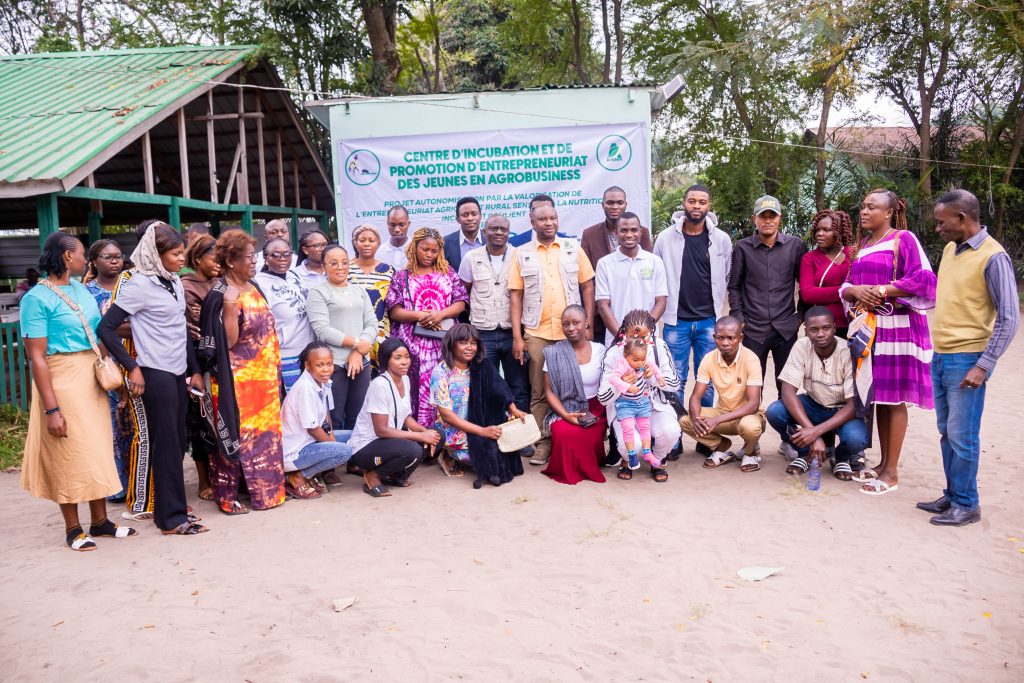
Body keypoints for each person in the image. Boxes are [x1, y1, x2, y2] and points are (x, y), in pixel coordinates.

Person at [20, 232, 135, 551]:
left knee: (97, 448)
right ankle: (73, 528)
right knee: (68, 452)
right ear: (67, 257)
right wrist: (52, 409)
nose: (86, 258)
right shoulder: (36, 298)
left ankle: (100, 522)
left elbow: (98, 334)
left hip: (92, 375)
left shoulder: (81, 290)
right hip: (62, 378)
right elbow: (37, 357)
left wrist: (115, 378)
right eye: (83, 253)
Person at [97, 224, 208, 535]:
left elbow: (180, 329)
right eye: (175, 253)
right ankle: (172, 519)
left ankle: (171, 512)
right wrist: (132, 366)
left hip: (176, 371)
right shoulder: (138, 285)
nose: (181, 258)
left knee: (176, 441)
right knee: (166, 443)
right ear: (156, 255)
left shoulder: (172, 281)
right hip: (154, 372)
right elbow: (106, 328)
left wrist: (194, 369)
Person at [919, 190, 1019, 525]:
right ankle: (952, 495)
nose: (938, 229)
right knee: (947, 430)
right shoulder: (950, 250)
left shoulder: (993, 257)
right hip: (942, 355)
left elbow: (1009, 317)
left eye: (941, 222)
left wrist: (983, 365)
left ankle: (967, 503)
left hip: (968, 359)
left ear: (961, 218)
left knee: (964, 434)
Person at [840, 188, 936, 496]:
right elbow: (849, 285)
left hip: (898, 330)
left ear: (890, 212)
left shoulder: (903, 240)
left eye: (872, 207)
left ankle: (891, 473)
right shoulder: (864, 245)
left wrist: (880, 291)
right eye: (863, 206)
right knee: (881, 397)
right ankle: (883, 464)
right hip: (872, 331)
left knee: (895, 398)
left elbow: (923, 279)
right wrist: (855, 292)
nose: (864, 212)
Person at [198, 229, 286, 514]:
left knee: (265, 437)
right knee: (236, 435)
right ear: (232, 261)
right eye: (249, 258)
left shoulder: (255, 286)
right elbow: (228, 342)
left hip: (266, 380)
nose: (254, 262)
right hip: (237, 380)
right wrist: (229, 306)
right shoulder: (220, 293)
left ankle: (266, 493)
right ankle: (227, 496)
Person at [508, 202, 596, 466]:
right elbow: (516, 296)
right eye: (542, 219)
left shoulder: (572, 248)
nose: (549, 223)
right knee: (539, 392)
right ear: (532, 223)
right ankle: (542, 443)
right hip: (537, 332)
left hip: (570, 333)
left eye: (553, 218)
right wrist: (517, 336)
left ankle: (577, 436)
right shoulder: (521, 253)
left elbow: (587, 287)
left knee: (576, 385)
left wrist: (587, 324)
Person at [765, 307, 868, 482]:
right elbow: (788, 392)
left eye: (826, 328)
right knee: (775, 411)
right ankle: (805, 453)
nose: (821, 334)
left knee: (856, 438)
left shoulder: (848, 351)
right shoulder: (801, 346)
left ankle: (840, 458)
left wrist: (815, 432)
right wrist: (810, 434)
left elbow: (853, 406)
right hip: (813, 404)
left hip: (842, 410)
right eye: (814, 329)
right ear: (805, 330)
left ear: (834, 328)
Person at [656, 184, 732, 411]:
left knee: (707, 380)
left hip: (709, 321)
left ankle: (705, 438)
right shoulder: (665, 238)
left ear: (709, 205)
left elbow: (727, 274)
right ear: (684, 203)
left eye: (702, 202)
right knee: (674, 379)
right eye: (692, 201)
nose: (696, 206)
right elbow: (658, 275)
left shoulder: (721, 239)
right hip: (675, 321)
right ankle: (675, 436)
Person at [384, 228, 469, 425]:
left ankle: (447, 440)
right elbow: (394, 310)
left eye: (434, 250)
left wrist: (440, 314)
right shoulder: (401, 276)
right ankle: (419, 438)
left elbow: (461, 303)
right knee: (415, 390)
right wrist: (420, 315)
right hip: (412, 345)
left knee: (446, 387)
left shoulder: (448, 272)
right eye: (425, 249)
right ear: (414, 247)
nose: (429, 255)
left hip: (445, 343)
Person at [111, 218, 166, 522]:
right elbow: (114, 326)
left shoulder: (167, 278)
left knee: (165, 435)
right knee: (143, 433)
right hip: (139, 369)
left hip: (165, 367)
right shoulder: (130, 278)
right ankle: (141, 501)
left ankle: (165, 496)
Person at [429, 323, 530, 486]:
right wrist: (482, 432)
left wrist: (514, 410)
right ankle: (447, 454)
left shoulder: (481, 364)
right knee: (486, 450)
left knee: (502, 444)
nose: (469, 347)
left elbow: (500, 387)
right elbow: (446, 415)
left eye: (473, 343)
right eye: (463, 342)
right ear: (452, 344)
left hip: (480, 419)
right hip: (454, 428)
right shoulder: (441, 372)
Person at [728, 195, 808, 395]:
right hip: (753, 329)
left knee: (787, 387)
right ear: (754, 218)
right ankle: (752, 426)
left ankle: (786, 426)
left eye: (773, 216)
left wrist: (800, 317)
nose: (768, 220)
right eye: (763, 216)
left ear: (780, 218)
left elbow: (805, 285)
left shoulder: (795, 246)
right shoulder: (742, 248)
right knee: (752, 387)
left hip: (785, 329)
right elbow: (734, 286)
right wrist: (739, 318)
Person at [347, 337, 440, 497]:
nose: (404, 362)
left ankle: (395, 475)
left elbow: (406, 418)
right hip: (366, 447)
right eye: (398, 358)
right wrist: (420, 436)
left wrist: (426, 433)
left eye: (406, 357)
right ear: (386, 361)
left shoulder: (405, 379)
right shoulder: (380, 385)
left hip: (389, 442)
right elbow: (381, 431)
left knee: (439, 436)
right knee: (413, 450)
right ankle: (373, 476)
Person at [597, 310, 682, 482]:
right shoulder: (614, 353)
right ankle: (627, 459)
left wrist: (653, 378)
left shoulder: (659, 347)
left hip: (654, 406)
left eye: (645, 337)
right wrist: (621, 385)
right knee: (633, 445)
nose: (639, 341)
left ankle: (657, 460)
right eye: (632, 336)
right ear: (623, 333)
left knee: (671, 431)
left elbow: (674, 384)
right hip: (625, 409)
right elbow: (603, 398)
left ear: (651, 333)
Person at [458, 213, 529, 412]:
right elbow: (464, 291)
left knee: (519, 387)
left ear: (509, 233)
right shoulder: (471, 258)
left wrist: (518, 337)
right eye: (493, 229)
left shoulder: (519, 256)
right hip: (482, 333)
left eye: (503, 229)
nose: (498, 232)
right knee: (485, 385)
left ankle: (522, 437)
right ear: (484, 232)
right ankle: (491, 434)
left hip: (513, 334)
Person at [680, 316, 765, 473]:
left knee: (750, 426)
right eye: (720, 338)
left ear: (740, 338)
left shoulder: (750, 358)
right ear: (714, 338)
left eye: (731, 338)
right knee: (685, 420)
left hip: (747, 416)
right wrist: (695, 418)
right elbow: (695, 397)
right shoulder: (709, 358)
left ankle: (750, 451)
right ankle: (721, 446)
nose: (725, 343)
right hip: (723, 413)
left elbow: (753, 404)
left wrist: (716, 420)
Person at [306, 244, 378, 430]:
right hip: (333, 365)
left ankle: (356, 456)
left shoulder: (359, 290)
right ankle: (338, 458)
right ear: (323, 266)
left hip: (361, 363)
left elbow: (372, 324)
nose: (340, 267)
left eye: (344, 263)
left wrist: (358, 352)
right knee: (335, 417)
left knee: (358, 416)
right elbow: (322, 329)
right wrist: (356, 344)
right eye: (334, 263)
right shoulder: (318, 293)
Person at [83, 239, 131, 502]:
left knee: (135, 425)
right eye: (107, 256)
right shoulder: (86, 293)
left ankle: (139, 480)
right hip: (104, 366)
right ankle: (116, 486)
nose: (114, 261)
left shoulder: (131, 288)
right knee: (111, 425)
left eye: (118, 256)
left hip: (135, 361)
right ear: (94, 261)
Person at [541, 305, 608, 485]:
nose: (571, 328)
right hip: (566, 407)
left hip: (595, 410)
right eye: (566, 324)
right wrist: (565, 416)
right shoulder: (554, 353)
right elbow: (549, 391)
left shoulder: (600, 350)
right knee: (563, 433)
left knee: (588, 435)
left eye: (576, 323)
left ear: (586, 323)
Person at [280, 341, 354, 500]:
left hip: (310, 442)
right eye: (320, 365)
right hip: (296, 451)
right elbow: (312, 428)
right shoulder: (305, 389)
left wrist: (332, 437)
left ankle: (310, 473)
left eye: (329, 364)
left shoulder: (324, 382)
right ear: (307, 365)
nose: (326, 369)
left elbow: (326, 414)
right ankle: (299, 476)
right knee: (344, 451)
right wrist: (333, 446)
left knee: (356, 436)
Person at [581, 186, 654, 342]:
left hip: (634, 312)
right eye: (610, 202)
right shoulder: (589, 234)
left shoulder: (643, 232)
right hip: (600, 313)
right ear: (602, 205)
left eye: (619, 202)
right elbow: (586, 278)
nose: (615, 207)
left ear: (626, 205)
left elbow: (646, 271)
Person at [181, 234, 220, 500]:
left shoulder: (220, 283)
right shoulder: (187, 287)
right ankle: (203, 480)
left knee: (221, 418)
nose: (218, 262)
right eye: (213, 257)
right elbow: (194, 328)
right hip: (197, 360)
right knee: (201, 421)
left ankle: (223, 474)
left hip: (223, 359)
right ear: (197, 259)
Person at [594, 212, 667, 344]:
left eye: (633, 230)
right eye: (624, 230)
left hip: (648, 340)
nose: (629, 235)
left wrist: (644, 331)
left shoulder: (655, 262)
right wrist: (622, 337)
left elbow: (661, 301)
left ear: (641, 232)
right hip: (617, 341)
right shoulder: (604, 264)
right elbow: (603, 306)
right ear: (616, 233)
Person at [254, 237, 316, 392]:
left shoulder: (294, 276)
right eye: (276, 255)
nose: (283, 259)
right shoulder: (258, 284)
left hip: (310, 351)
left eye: (287, 254)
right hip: (287, 354)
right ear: (266, 258)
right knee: (293, 405)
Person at [608, 337, 666, 470]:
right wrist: (627, 387)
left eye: (642, 359)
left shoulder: (644, 361)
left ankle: (647, 453)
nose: (640, 363)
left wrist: (660, 376)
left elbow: (653, 366)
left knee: (645, 428)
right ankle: (632, 455)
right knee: (628, 429)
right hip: (625, 404)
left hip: (642, 402)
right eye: (635, 360)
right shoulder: (622, 364)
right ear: (625, 355)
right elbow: (613, 378)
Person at [800, 209, 854, 338]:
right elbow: (807, 294)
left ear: (839, 232)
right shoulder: (810, 258)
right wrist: (848, 292)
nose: (820, 233)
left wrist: (823, 293)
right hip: (822, 326)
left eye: (826, 230)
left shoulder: (854, 254)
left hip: (854, 322)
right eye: (817, 230)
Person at [347, 224, 396, 365]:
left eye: (371, 240)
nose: (367, 244)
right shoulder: (346, 268)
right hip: (353, 332)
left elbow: (393, 304)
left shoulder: (388, 270)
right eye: (362, 240)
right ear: (355, 243)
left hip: (382, 332)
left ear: (378, 243)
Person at [443, 196, 485, 273]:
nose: (470, 218)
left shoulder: (490, 240)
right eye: (465, 215)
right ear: (458, 219)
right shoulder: (446, 242)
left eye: (474, 214)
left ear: (480, 216)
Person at [287, 230, 329, 295]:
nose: (323, 249)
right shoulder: (294, 276)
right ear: (305, 250)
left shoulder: (337, 269)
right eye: (317, 245)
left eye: (325, 245)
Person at [377, 204, 411, 270]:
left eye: (401, 225)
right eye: (392, 225)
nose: (397, 229)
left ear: (408, 224)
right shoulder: (378, 252)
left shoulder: (417, 251)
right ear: (387, 224)